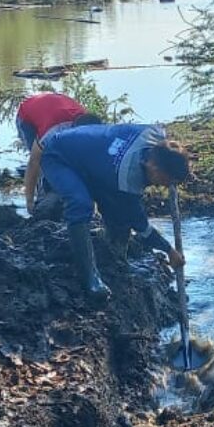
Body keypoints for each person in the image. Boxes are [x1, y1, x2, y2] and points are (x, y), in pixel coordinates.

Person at [41, 123, 189, 301]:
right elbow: (141, 226)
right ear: (155, 168)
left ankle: (116, 258)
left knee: (117, 208)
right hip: (58, 155)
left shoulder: (155, 134)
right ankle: (90, 278)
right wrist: (169, 250)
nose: (165, 186)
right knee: (81, 204)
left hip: (94, 160)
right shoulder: (127, 179)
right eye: (166, 181)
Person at [16, 92, 90, 213]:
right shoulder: (50, 133)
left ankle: (61, 194)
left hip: (56, 105)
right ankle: (41, 202)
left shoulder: (88, 124)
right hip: (27, 114)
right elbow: (34, 163)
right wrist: (29, 201)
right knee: (43, 161)